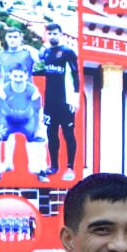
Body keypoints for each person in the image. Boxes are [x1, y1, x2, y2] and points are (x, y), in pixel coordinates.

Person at [0, 66, 47, 180]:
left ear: (26, 76)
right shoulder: (3, 90)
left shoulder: (33, 91)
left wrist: (37, 128)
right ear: (10, 76)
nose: (18, 79)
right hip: (8, 121)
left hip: (27, 121)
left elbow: (37, 110)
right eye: (15, 76)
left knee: (40, 136)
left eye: (20, 76)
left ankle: (41, 170)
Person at [39, 22, 79, 180]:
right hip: (50, 101)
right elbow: (45, 72)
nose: (52, 36)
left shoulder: (68, 52)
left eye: (55, 33)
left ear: (60, 35)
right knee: (51, 134)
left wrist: (74, 98)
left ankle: (70, 167)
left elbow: (75, 75)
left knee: (68, 134)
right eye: (50, 33)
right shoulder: (46, 53)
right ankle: (54, 166)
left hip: (65, 101)